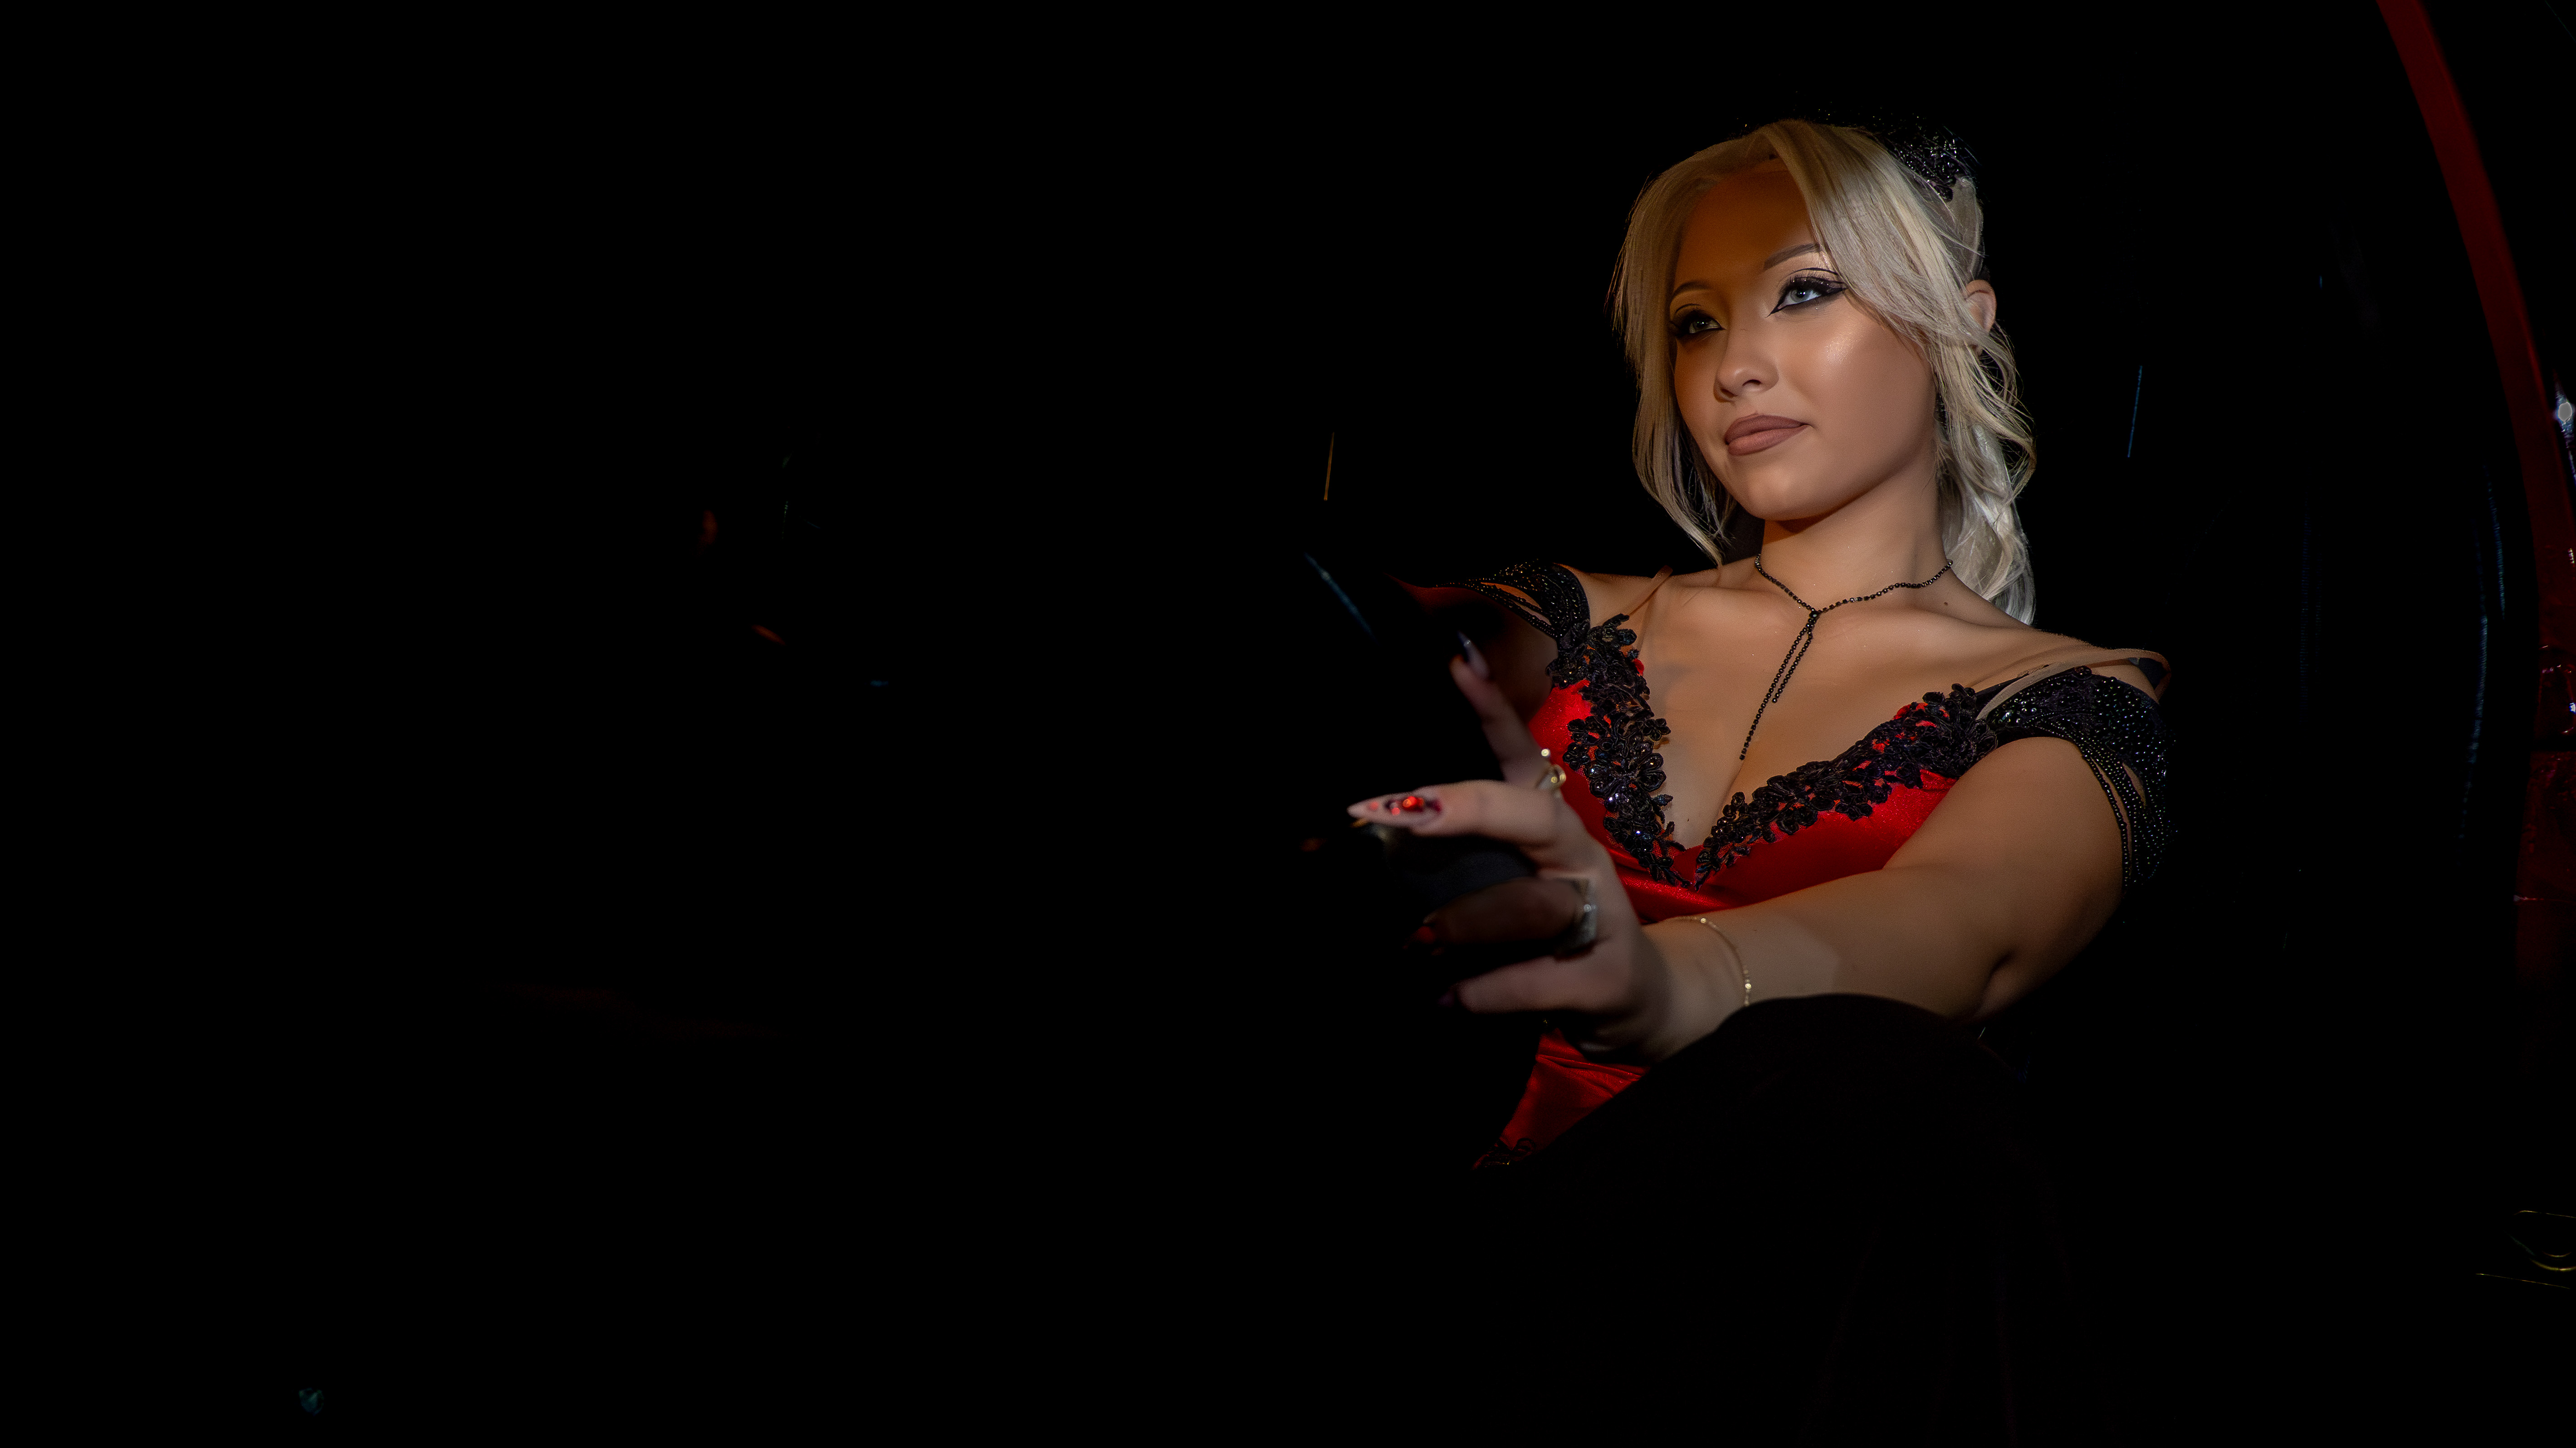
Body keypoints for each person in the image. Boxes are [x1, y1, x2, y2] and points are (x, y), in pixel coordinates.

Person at [1362, 120, 2170, 1436]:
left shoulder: (2070, 701)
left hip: (1770, 1318)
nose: (1735, 365)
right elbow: (1331, 654)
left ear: (1961, 325)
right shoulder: (1555, 620)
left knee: (1911, 1089)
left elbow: (1965, 924)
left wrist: (1665, 979)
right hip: (1429, 1245)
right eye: (1696, 323)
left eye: (1804, 291)